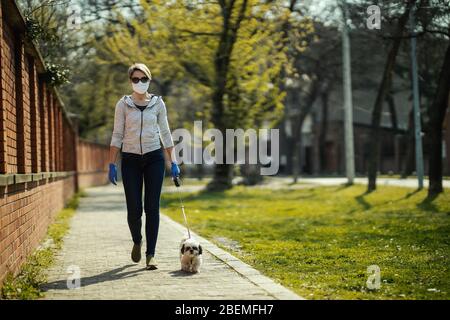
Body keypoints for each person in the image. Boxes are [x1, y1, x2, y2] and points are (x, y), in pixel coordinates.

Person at [108, 63, 180, 270]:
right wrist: (112, 163)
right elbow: (117, 134)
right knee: (134, 210)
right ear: (131, 81)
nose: (139, 83)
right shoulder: (123, 104)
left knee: (152, 208)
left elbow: (165, 133)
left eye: (143, 79)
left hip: (154, 158)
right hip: (129, 159)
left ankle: (151, 255)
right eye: (135, 79)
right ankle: (137, 241)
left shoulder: (158, 104)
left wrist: (173, 161)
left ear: (149, 80)